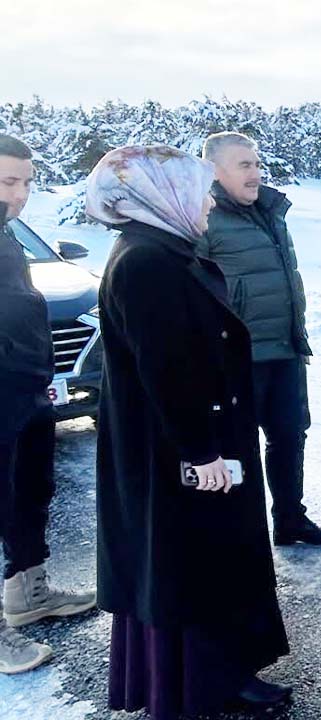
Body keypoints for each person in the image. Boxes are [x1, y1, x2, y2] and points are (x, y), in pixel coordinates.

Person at [89, 145, 291, 717]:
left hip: (186, 446)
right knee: (193, 568)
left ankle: (218, 674)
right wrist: (202, 454)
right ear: (163, 194)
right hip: (177, 454)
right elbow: (167, 371)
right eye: (198, 190)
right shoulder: (146, 263)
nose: (207, 202)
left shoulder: (161, 251)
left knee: (201, 564)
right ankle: (205, 683)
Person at [198, 131, 321, 547]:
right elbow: (196, 292)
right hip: (238, 358)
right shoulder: (204, 217)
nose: (256, 173)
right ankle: (242, 536)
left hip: (284, 348)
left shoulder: (272, 210)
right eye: (245, 165)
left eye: (257, 164)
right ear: (214, 170)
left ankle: (290, 520)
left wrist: (298, 335)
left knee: (290, 436)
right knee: (236, 447)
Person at [0, 133, 96, 675]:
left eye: (27, 183)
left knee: (29, 491)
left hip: (28, 386)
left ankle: (28, 591)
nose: (20, 195)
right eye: (9, 182)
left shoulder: (8, 235)